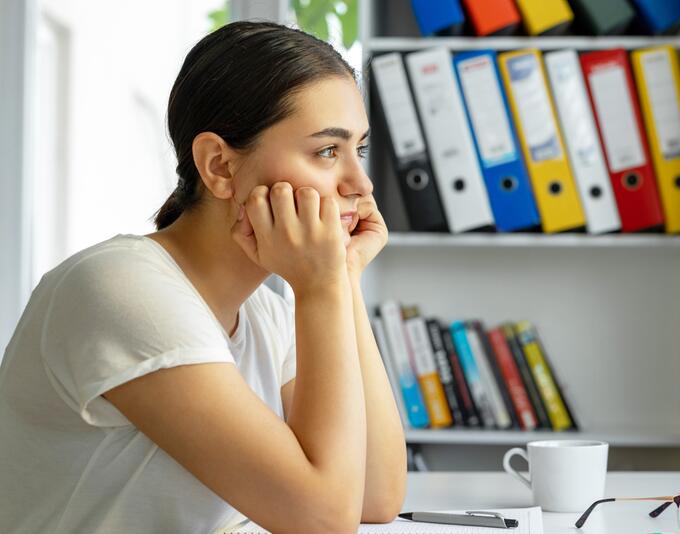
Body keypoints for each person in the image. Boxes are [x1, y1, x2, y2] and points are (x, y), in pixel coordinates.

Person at [0, 21, 406, 533]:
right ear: (219, 165)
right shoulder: (122, 289)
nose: (360, 183)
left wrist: (343, 277)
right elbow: (322, 520)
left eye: (359, 150)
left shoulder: (268, 314)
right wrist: (321, 287)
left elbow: (376, 495)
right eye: (328, 151)